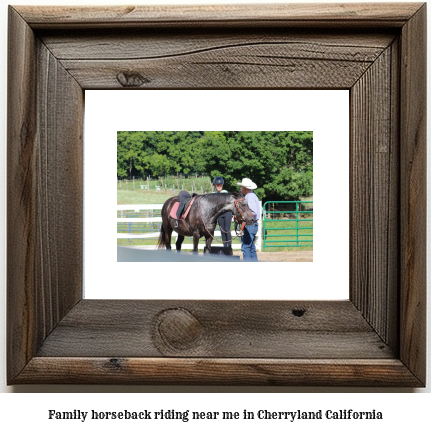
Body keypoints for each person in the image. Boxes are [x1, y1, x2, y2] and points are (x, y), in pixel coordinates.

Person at [236, 178, 260, 261]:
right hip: (253, 224)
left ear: (244, 188)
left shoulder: (249, 197)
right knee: (251, 247)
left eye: (242, 187)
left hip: (250, 224)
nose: (241, 189)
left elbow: (253, 212)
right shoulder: (252, 196)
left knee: (246, 247)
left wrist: (242, 216)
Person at [212, 176, 232, 250]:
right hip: (220, 214)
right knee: (222, 231)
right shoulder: (213, 194)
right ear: (215, 185)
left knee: (227, 229)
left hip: (227, 213)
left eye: (220, 185)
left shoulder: (225, 193)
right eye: (217, 185)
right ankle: (225, 247)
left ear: (222, 185)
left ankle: (229, 247)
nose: (219, 186)